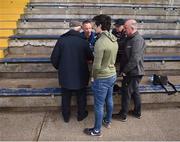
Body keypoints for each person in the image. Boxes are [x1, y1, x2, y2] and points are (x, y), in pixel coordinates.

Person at [50, 21, 94, 123]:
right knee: (81, 96)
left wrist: (61, 68)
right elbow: (90, 57)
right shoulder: (83, 41)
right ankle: (81, 115)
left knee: (65, 97)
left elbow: (53, 58)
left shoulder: (61, 40)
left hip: (65, 75)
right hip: (81, 74)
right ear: (80, 28)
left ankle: (66, 117)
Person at [83, 14, 118, 137]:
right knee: (109, 99)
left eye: (94, 25)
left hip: (102, 77)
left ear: (100, 26)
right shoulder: (113, 38)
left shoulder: (100, 42)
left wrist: (93, 77)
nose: (93, 28)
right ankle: (107, 121)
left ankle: (97, 130)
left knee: (98, 105)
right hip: (112, 74)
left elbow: (96, 66)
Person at [113, 19, 146, 122]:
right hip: (132, 71)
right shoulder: (129, 38)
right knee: (135, 91)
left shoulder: (137, 40)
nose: (124, 30)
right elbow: (120, 44)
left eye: (126, 28)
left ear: (132, 28)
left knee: (126, 92)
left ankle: (123, 115)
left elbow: (134, 59)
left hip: (133, 72)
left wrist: (124, 71)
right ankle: (137, 112)